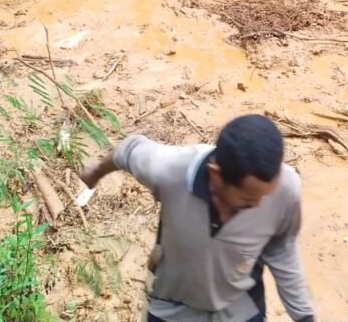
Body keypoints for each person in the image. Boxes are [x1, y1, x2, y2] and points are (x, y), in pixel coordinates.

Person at [78, 114, 316, 322]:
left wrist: (304, 316)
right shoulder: (169, 171)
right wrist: (95, 173)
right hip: (173, 308)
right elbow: (128, 150)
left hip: (240, 310)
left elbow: (281, 247)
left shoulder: (285, 188)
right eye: (248, 199)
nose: (260, 205)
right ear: (216, 175)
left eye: (266, 195)